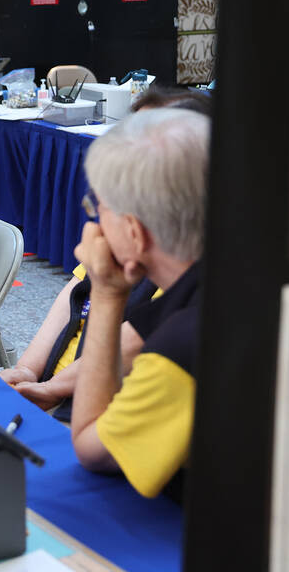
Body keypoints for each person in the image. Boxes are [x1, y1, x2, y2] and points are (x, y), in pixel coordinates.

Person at [0, 86, 212, 416]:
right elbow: (71, 298)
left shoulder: (177, 272)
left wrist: (49, 389)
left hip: (87, 405)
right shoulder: (119, 240)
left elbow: (89, 444)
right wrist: (28, 370)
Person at [69, 107, 210, 499]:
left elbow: (90, 446)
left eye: (98, 208)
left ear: (133, 230)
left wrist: (107, 291)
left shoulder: (181, 350)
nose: (95, 222)